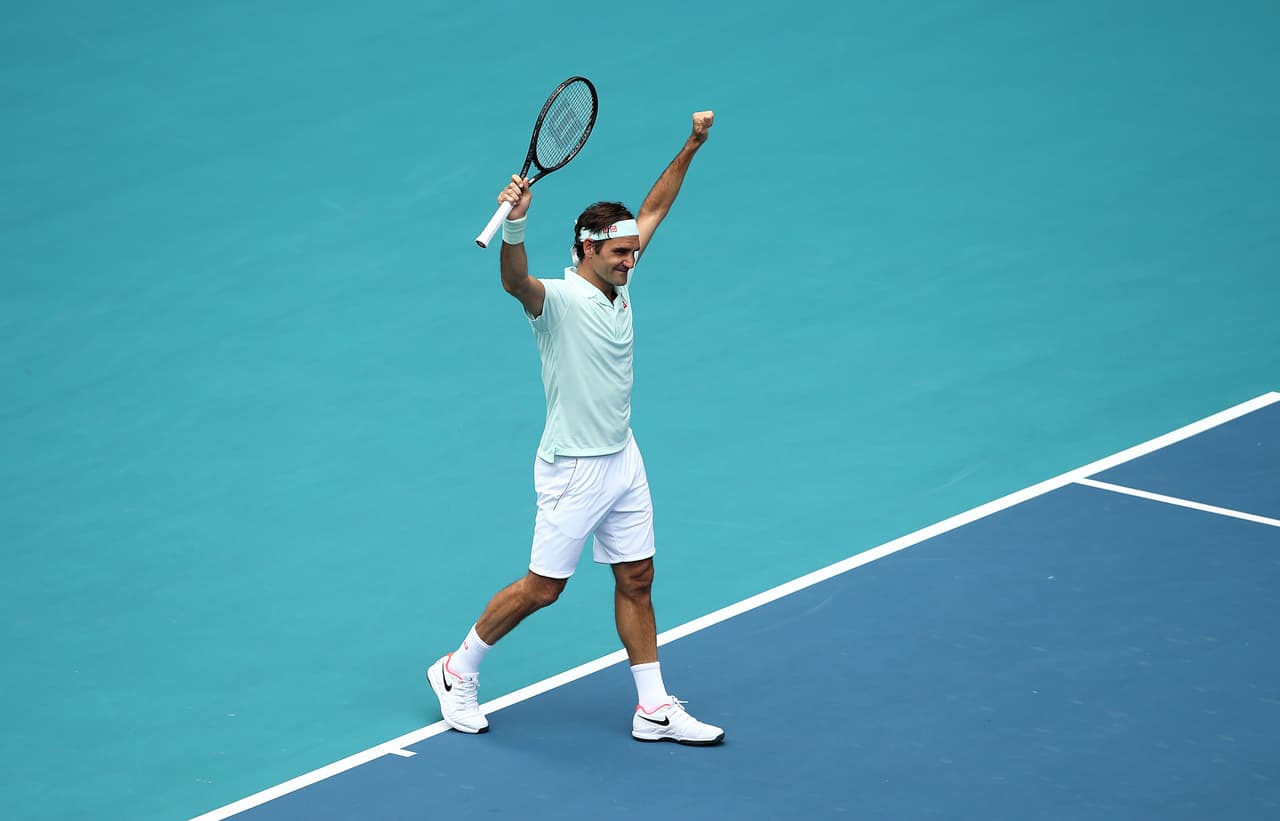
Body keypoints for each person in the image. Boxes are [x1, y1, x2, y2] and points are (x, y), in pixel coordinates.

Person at [427, 111, 723, 746]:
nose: (630, 261)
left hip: (623, 457)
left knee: (636, 578)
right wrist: (516, 219)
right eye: (619, 253)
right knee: (543, 590)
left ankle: (653, 709)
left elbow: (655, 208)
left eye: (632, 253)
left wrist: (690, 146)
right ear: (588, 248)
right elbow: (514, 280)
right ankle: (456, 670)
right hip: (573, 467)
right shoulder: (555, 301)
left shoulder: (620, 274)